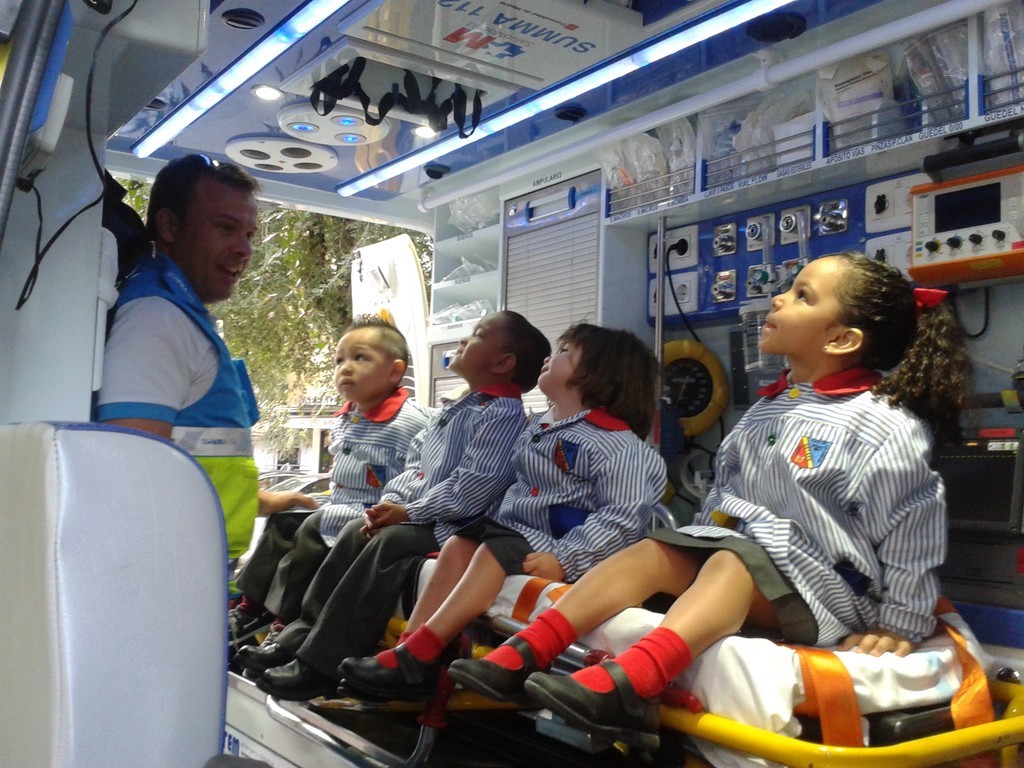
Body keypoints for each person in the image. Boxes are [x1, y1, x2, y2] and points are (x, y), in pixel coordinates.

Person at [447, 253, 971, 751]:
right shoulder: (768, 411)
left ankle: (630, 684)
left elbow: (911, 525)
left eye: (802, 296)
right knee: (654, 550)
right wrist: (688, 549)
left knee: (730, 562)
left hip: (826, 591)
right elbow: (722, 498)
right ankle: (526, 652)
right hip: (747, 563)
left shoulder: (881, 424)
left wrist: (897, 623)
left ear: (841, 339)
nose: (778, 299)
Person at [339, 323, 667, 701]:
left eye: (565, 352)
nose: (551, 357)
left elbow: (620, 521)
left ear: (596, 374)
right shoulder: (540, 428)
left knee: (493, 549)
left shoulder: (618, 446)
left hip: (565, 550)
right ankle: (408, 647)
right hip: (517, 536)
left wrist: (563, 559)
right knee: (461, 542)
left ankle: (419, 654)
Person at [241, 311, 551, 700]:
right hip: (428, 517)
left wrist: (409, 512)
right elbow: (417, 469)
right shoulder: (460, 409)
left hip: (455, 526)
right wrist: (391, 503)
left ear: (502, 363)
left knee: (391, 543)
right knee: (356, 530)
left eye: (476, 335)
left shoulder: (501, 416)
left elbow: (471, 489)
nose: (462, 340)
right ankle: (299, 637)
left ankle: (320, 664)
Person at [95, 154, 317, 573]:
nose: (244, 250)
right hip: (170, 572)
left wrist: (266, 501)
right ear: (170, 226)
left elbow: (197, 455)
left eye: (249, 234)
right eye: (225, 228)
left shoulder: (177, 313)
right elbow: (128, 471)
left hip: (193, 567)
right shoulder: (156, 320)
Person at [228, 315, 431, 652]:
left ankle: (286, 622)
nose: (345, 368)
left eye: (360, 358)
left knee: (313, 528)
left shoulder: (412, 422)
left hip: (377, 513)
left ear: (395, 371)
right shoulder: (347, 418)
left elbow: (422, 474)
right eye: (339, 361)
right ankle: (251, 609)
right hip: (341, 505)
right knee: (285, 519)